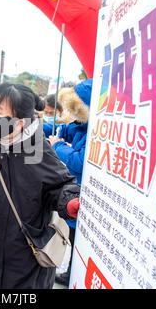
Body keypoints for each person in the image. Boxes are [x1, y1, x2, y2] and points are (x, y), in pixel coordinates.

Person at [0, 83, 81, 289]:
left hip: (24, 252)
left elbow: (60, 186)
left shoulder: (37, 149)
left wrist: (69, 201)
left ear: (19, 122)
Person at [48, 78, 93, 286]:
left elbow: (79, 161)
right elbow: (63, 130)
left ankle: (73, 273)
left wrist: (58, 146)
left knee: (78, 238)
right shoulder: (80, 125)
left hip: (83, 190)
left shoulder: (94, 130)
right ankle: (72, 271)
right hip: (74, 189)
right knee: (73, 235)